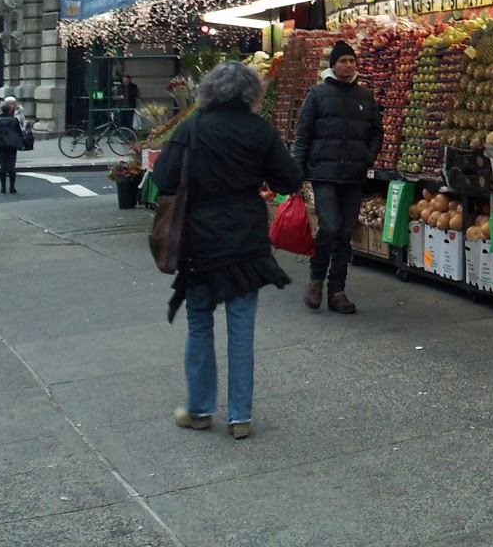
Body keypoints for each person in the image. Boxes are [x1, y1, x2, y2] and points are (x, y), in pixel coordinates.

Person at [151, 61, 303, 440]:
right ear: (252, 93)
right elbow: (290, 178)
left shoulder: (191, 128)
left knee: (200, 322)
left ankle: (200, 410)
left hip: (199, 242)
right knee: (241, 328)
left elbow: (163, 178)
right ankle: (240, 417)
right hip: (246, 242)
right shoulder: (260, 130)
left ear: (209, 91)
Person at [290, 40, 381, 314]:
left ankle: (337, 290)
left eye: (351, 61)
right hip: (325, 174)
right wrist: (297, 170)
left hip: (353, 175)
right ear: (333, 65)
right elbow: (303, 135)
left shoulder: (365, 97)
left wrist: (368, 156)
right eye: (343, 61)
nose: (348, 65)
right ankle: (316, 280)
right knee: (329, 227)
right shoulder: (317, 95)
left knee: (344, 232)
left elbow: (377, 132)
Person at [0, 98, 25, 195]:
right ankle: (12, 187)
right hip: (12, 144)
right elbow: (19, 132)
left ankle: (3, 187)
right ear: (9, 110)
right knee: (12, 164)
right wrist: (21, 143)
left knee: (2, 164)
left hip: (0, 144)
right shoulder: (14, 120)